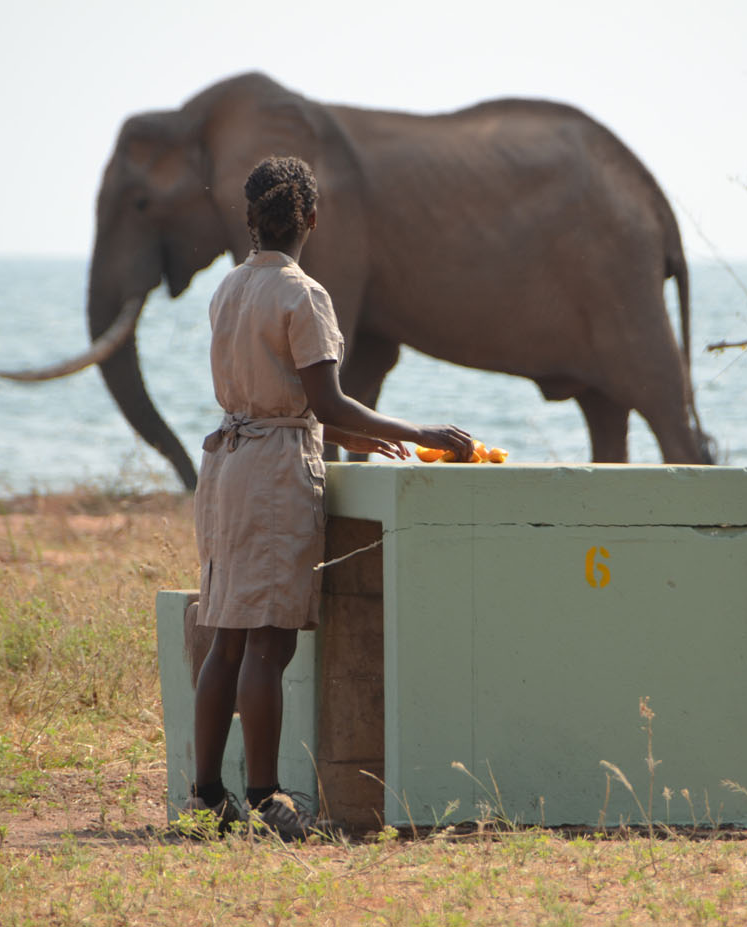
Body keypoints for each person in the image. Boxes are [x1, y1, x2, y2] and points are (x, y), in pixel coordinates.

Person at [183, 155, 473, 840]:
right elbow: (324, 399)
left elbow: (287, 395)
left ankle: (206, 794)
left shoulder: (228, 288)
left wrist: (357, 436)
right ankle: (266, 796)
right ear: (312, 217)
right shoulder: (303, 294)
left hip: (227, 464)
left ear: (249, 218)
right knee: (268, 643)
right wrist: (418, 429)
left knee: (225, 635)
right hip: (275, 473)